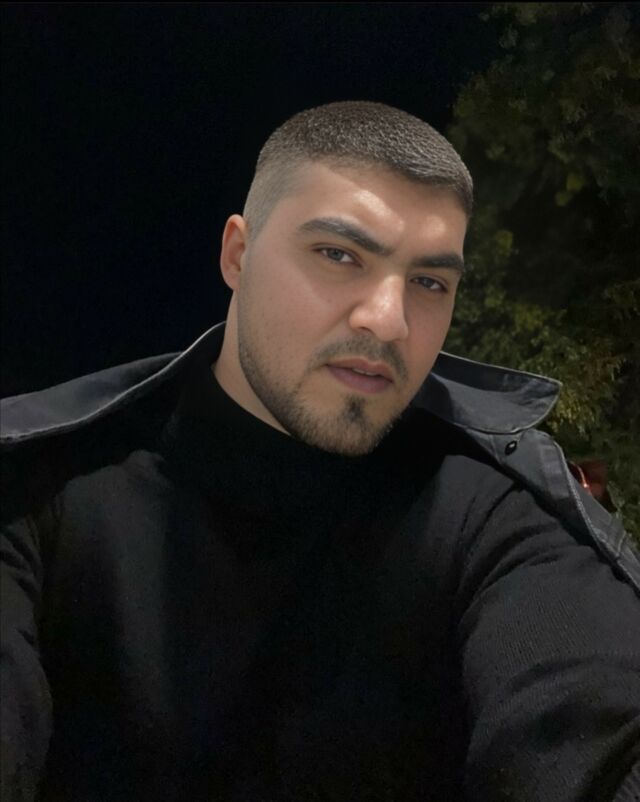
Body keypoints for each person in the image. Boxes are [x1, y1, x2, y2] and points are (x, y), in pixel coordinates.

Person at [1, 101, 639, 802]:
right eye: (339, 255)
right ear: (238, 255)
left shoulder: (491, 514)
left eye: (429, 282)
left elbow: (596, 718)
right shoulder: (41, 493)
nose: (388, 321)